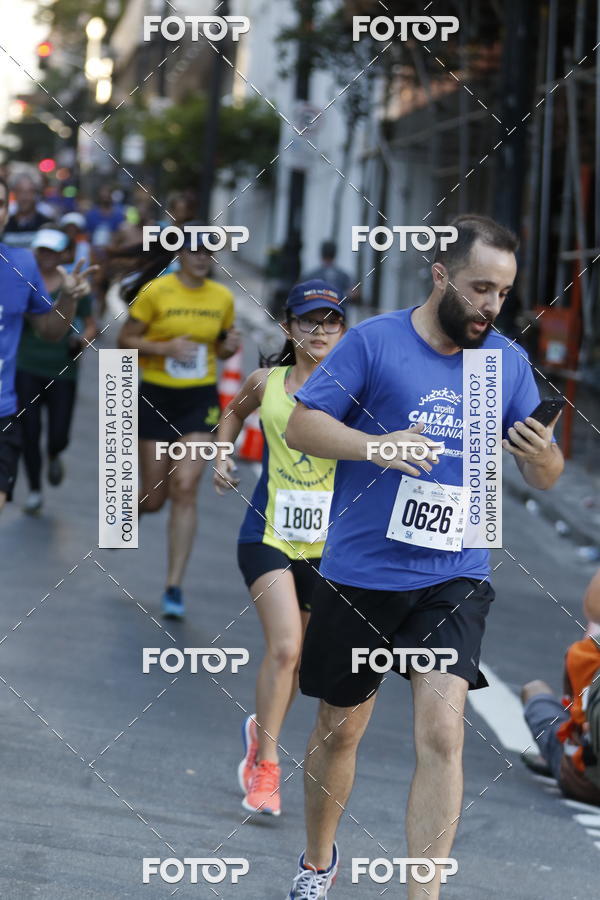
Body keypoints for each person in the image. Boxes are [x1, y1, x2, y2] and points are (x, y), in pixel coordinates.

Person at [283, 214, 565, 899]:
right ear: (440, 275)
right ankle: (319, 861)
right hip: (362, 572)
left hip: (455, 572)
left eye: (502, 292)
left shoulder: (503, 361)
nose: (492, 305)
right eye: (479, 288)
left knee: (443, 733)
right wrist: (374, 445)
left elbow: (546, 473)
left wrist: (544, 459)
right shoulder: (376, 344)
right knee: (339, 731)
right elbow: (302, 424)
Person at [213, 280, 345, 818]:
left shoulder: (355, 391)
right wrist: (223, 456)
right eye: (309, 321)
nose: (320, 330)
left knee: (300, 661)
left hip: (328, 545)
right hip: (265, 534)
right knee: (286, 648)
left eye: (331, 321)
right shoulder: (266, 381)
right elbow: (232, 414)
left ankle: (260, 735)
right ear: (289, 326)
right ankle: (266, 764)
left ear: (343, 330)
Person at [117, 230, 240, 618]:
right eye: (195, 250)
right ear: (180, 253)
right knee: (155, 497)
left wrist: (229, 348)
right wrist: (162, 347)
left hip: (198, 400)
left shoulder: (222, 298)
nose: (203, 257)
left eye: (209, 251)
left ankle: (174, 586)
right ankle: (126, 512)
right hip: (156, 395)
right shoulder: (156, 292)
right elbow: (124, 339)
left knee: (185, 487)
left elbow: (221, 346)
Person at [0, 177, 95, 512]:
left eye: (0, 204)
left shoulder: (21, 265)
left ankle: (42, 477)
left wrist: (67, 299)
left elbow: (50, 330)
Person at [16, 228, 97, 514]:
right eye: (42, 250)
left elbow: (91, 324)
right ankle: (35, 490)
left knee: (58, 434)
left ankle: (54, 453)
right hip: (27, 366)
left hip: (63, 370)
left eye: (53, 251)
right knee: (29, 431)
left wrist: (82, 340)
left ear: (65, 254)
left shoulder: (74, 284)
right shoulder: (25, 281)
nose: (46, 257)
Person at [521, 569, 600, 805]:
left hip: (586, 781)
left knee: (534, 690)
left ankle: (552, 756)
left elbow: (593, 607)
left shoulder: (584, 654)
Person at [3, 174, 52, 248]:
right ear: (14, 194)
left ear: (36, 194)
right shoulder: (4, 224)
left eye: (29, 192)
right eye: (20, 191)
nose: (24, 197)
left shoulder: (46, 224)